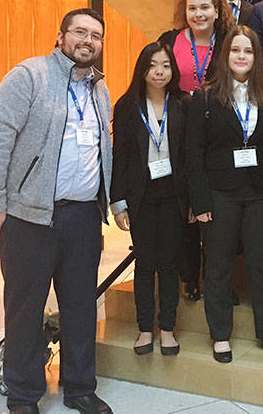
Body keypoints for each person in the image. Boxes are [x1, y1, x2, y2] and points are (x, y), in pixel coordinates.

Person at [0, 8, 113, 414]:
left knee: (80, 305)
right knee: (25, 307)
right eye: (80, 32)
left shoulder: (99, 88)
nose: (87, 41)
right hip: (29, 217)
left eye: (95, 35)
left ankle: (80, 388)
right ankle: (23, 395)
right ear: (61, 36)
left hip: (82, 216)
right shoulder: (29, 76)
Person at [186, 25, 263, 364]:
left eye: (247, 51)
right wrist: (199, 202)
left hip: (261, 194)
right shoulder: (204, 96)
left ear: (256, 57)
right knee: (217, 267)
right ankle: (220, 335)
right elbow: (194, 153)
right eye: (235, 51)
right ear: (225, 56)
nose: (241, 57)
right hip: (219, 194)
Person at [110, 43, 189, 357]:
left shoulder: (184, 104)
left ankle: (167, 328)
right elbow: (120, 157)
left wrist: (195, 201)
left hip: (174, 196)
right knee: (144, 265)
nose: (160, 72)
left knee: (169, 264)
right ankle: (145, 328)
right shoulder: (128, 106)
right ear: (142, 69)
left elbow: (191, 157)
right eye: (153, 65)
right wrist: (118, 201)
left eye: (166, 65)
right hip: (140, 196)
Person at [158, 0, 235, 301]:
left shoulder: (231, 42)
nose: (199, 14)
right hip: (177, 130)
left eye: (205, 7)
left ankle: (220, 280)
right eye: (192, 8)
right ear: (184, 12)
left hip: (218, 132)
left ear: (217, 11)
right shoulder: (169, 40)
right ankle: (189, 276)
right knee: (183, 203)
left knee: (217, 205)